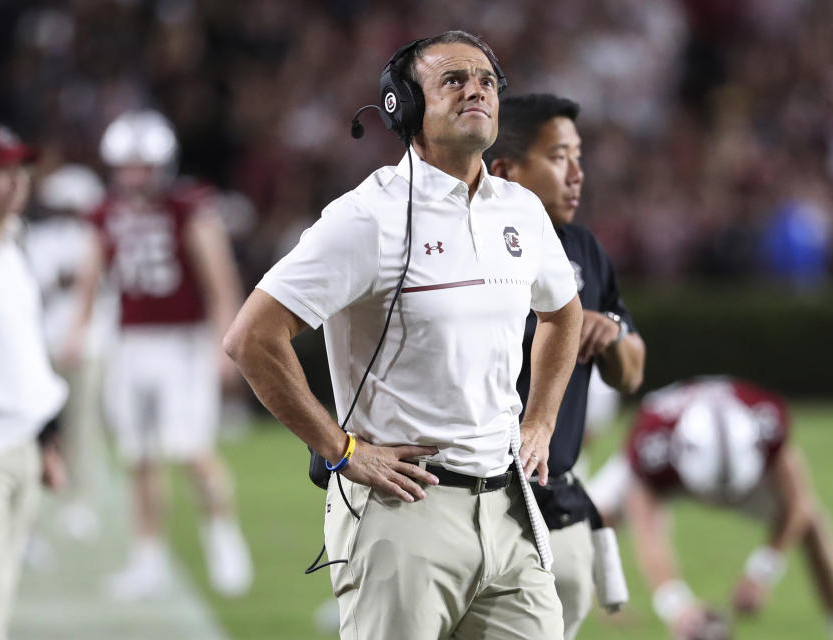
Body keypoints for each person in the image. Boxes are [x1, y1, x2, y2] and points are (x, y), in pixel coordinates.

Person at [224, 30, 582, 640]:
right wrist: (341, 450)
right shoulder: (367, 218)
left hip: (509, 506)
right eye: (453, 79)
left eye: (487, 80)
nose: (477, 89)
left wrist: (542, 420)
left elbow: (562, 313)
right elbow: (252, 337)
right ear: (405, 107)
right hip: (403, 512)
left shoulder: (520, 209)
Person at [62, 109, 252, 600]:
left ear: (161, 165)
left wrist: (223, 345)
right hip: (130, 344)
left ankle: (222, 536)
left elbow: (220, 281)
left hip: (183, 341)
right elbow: (89, 276)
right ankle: (147, 558)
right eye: (125, 166)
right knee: (138, 456)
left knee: (191, 450)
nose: (132, 176)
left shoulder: (188, 208)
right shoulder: (105, 212)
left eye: (141, 166)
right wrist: (78, 329)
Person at [484, 93, 646, 639]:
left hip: (557, 504)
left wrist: (612, 334)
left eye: (578, 156)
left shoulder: (584, 250)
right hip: (463, 494)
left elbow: (632, 372)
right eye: (558, 157)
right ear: (504, 170)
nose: (577, 173)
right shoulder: (462, 245)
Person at [585, 376, 833, 640]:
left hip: (742, 473)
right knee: (586, 523)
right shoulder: (653, 441)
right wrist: (676, 606)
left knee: (812, 523)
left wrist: (762, 571)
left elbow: (799, 500)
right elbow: (648, 530)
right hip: (667, 462)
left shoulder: (767, 422)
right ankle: (582, 605)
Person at [0, 123, 67, 640]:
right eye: (0, 171)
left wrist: (46, 440)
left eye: (19, 170)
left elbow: (23, 351)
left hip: (20, 443)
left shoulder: (12, 241)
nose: (15, 182)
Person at [23, 164, 113, 541]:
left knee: (81, 428)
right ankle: (34, 508)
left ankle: (79, 501)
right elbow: (39, 285)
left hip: (87, 346)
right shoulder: (38, 239)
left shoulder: (100, 238)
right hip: (43, 345)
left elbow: (99, 288)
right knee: (38, 431)